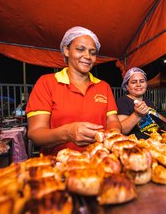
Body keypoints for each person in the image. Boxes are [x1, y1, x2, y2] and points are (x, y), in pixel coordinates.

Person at [26, 26, 121, 155]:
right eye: (80, 49)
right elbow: (36, 133)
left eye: (92, 53)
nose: (87, 56)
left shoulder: (103, 86)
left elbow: (113, 121)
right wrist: (67, 133)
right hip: (60, 164)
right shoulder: (47, 83)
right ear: (66, 50)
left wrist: (114, 134)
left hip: (99, 161)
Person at [116, 67, 166, 139]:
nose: (138, 84)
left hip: (156, 140)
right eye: (134, 82)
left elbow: (156, 115)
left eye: (142, 81)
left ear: (146, 84)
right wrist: (137, 115)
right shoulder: (123, 101)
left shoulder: (148, 101)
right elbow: (122, 130)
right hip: (139, 145)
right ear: (127, 86)